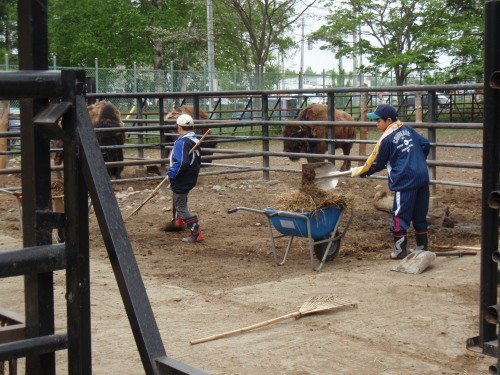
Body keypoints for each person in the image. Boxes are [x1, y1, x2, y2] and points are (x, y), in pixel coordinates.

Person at [352, 104, 430, 259]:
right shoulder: (408, 129)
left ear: (388, 120)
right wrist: (418, 160)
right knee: (420, 214)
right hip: (422, 177)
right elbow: (425, 144)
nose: (376, 124)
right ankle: (421, 246)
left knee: (400, 214)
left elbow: (378, 163)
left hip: (404, 180)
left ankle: (400, 250)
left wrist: (364, 172)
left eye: (378, 121)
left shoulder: (387, 139)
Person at [165, 114, 204, 243]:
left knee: (180, 205)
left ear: (179, 128)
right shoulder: (193, 140)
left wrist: (171, 174)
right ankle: (178, 221)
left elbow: (182, 162)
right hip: (190, 177)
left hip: (182, 178)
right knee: (181, 200)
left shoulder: (181, 143)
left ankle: (196, 232)